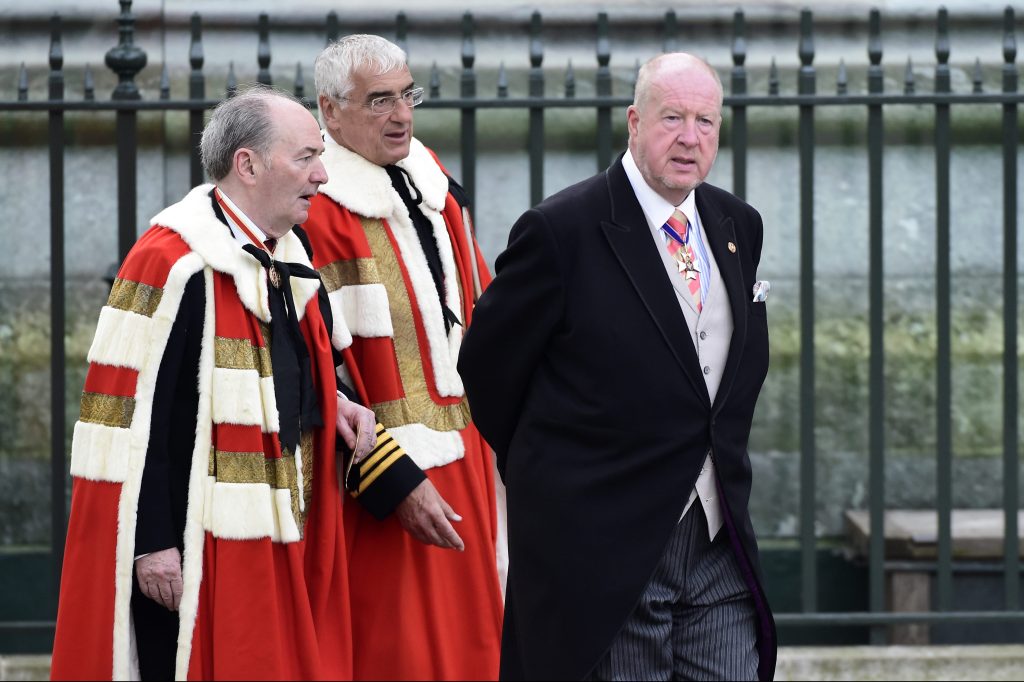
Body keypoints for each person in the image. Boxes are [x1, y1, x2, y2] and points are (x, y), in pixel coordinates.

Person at [49, 86, 414, 680]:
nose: (323, 174)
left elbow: (285, 370)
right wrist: (151, 544)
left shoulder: (285, 257)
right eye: (305, 158)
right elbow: (135, 419)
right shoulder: (173, 262)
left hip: (278, 530)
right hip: (193, 545)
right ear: (247, 164)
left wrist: (336, 400)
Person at [458, 52, 778, 681]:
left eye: (706, 122)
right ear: (634, 122)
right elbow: (489, 370)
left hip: (718, 537)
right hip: (606, 544)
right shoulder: (561, 230)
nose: (690, 138)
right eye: (672, 118)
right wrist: (558, 481)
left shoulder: (736, 223)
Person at [299, 33, 504, 680]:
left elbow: (483, 312)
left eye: (407, 95)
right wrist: (392, 478)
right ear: (330, 112)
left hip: (470, 461)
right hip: (377, 489)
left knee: (478, 648)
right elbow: (309, 368)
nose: (402, 116)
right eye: (379, 101)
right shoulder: (312, 210)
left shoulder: (431, 180)